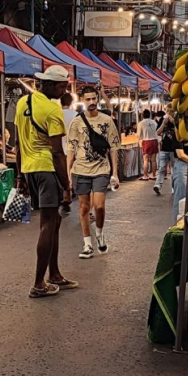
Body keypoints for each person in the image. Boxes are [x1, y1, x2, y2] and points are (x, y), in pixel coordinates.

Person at [14, 65, 78, 298]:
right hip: (46, 170)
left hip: (30, 169)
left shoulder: (22, 103)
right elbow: (57, 153)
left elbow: (19, 142)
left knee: (55, 221)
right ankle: (39, 283)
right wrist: (67, 185)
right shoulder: (52, 111)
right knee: (48, 224)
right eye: (61, 86)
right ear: (49, 84)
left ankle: (55, 274)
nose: (64, 91)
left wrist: (20, 175)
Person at [67, 88, 121, 258]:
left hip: (101, 169)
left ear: (97, 99)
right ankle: (87, 244)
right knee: (83, 207)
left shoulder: (107, 120)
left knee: (99, 206)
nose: (91, 102)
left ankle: (99, 233)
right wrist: (68, 173)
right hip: (81, 170)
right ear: (82, 100)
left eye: (93, 98)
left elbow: (114, 147)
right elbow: (71, 148)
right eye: (88, 99)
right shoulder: (76, 122)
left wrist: (115, 173)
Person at [154, 108, 178, 196]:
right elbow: (158, 132)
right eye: (167, 111)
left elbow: (181, 133)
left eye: (171, 111)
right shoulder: (163, 120)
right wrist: (164, 123)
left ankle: (174, 187)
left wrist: (174, 122)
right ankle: (158, 185)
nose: (169, 112)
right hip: (164, 149)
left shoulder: (178, 119)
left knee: (174, 170)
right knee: (161, 168)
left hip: (175, 149)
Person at [137, 109, 159, 181]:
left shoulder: (141, 123)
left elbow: (139, 134)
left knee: (146, 160)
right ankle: (154, 175)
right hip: (154, 141)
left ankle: (145, 175)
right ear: (149, 115)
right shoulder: (154, 122)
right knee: (153, 160)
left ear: (143, 115)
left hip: (146, 141)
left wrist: (139, 139)